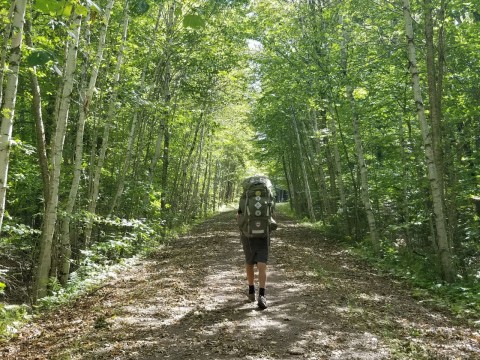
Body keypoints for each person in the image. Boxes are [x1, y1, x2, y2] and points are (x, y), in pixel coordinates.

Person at [237, 208, 269, 309]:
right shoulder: (266, 196)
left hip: (247, 235)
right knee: (262, 264)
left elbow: (238, 217)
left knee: (249, 262)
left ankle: (251, 292)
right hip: (263, 235)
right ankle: (262, 295)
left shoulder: (246, 197)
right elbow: (272, 217)